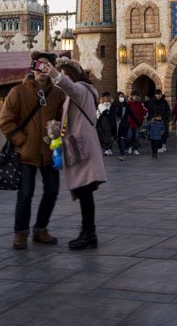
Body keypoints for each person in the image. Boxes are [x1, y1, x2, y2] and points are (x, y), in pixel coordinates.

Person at [35, 56, 106, 250]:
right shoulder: (79, 95)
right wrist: (57, 129)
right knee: (84, 191)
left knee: (85, 191)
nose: (61, 80)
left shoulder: (81, 89)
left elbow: (69, 86)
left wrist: (55, 73)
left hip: (83, 148)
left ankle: (89, 234)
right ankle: (87, 232)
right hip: (80, 145)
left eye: (65, 75)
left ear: (72, 75)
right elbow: (73, 120)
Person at [0, 50, 65, 250]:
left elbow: (64, 120)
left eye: (47, 67)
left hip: (49, 151)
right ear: (33, 67)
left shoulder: (58, 94)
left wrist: (57, 132)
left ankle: (40, 229)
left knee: (52, 191)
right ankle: (20, 233)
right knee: (26, 194)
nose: (43, 70)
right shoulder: (18, 92)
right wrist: (22, 141)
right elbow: (5, 120)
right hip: (26, 153)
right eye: (40, 66)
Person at [110, 92, 139, 161]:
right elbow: (111, 116)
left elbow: (131, 115)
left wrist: (137, 122)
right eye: (120, 96)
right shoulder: (114, 106)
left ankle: (122, 154)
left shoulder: (126, 106)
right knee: (119, 140)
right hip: (116, 125)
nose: (122, 98)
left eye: (123, 96)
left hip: (124, 125)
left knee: (122, 139)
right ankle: (122, 151)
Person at [96, 92, 115, 156]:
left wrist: (112, 104)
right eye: (106, 97)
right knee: (105, 136)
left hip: (111, 122)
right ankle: (106, 149)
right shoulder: (100, 105)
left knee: (110, 135)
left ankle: (109, 149)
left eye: (108, 96)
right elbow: (98, 115)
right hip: (103, 123)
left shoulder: (111, 105)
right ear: (103, 98)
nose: (108, 98)